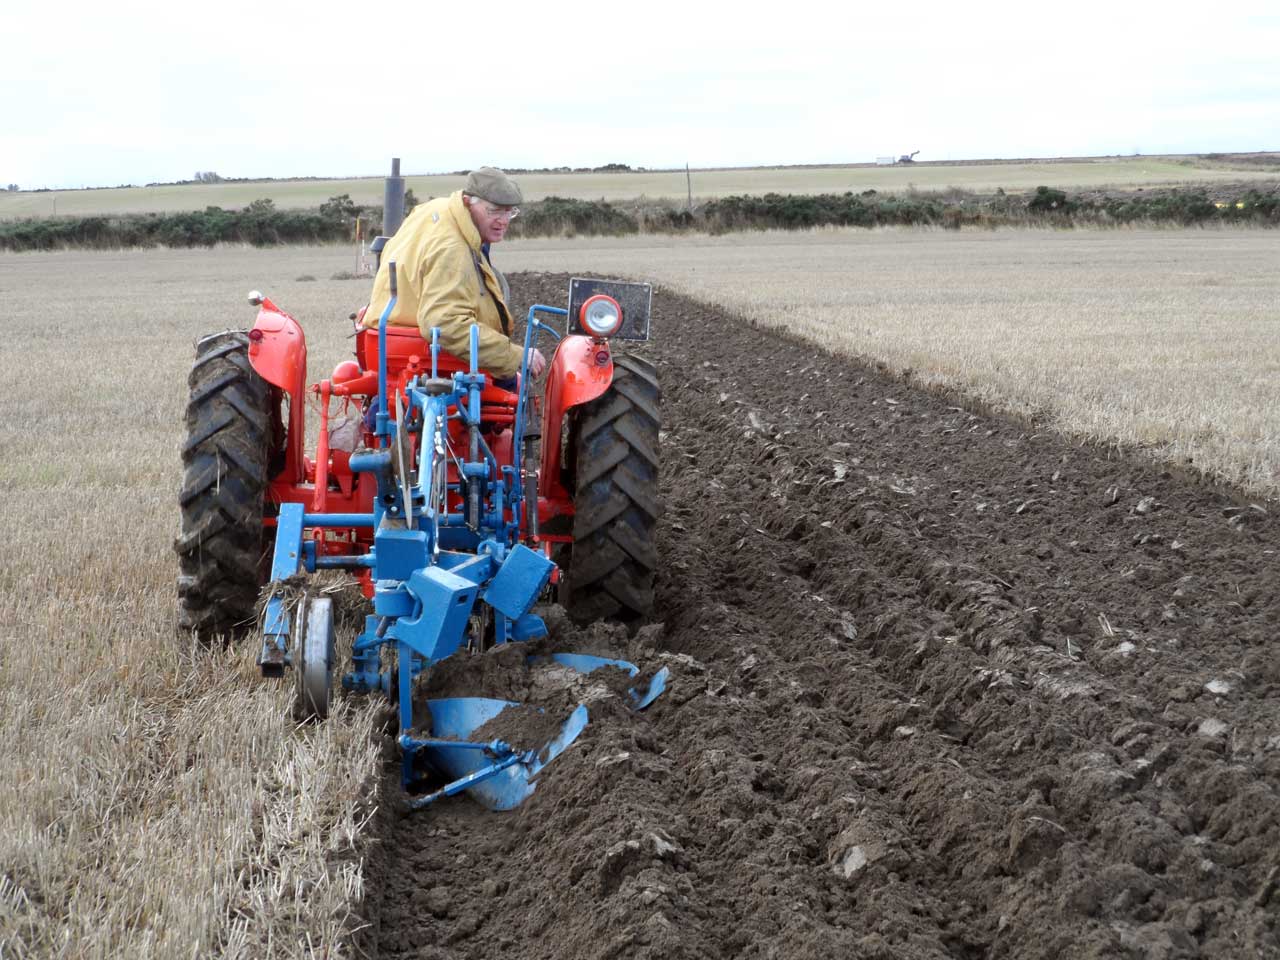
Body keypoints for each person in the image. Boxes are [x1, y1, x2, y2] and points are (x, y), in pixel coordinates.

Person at [362, 166, 546, 383]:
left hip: (387, 344)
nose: (504, 220)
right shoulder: (452, 250)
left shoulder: (436, 209)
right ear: (469, 202)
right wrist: (514, 355)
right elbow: (445, 324)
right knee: (513, 391)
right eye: (494, 210)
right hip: (423, 356)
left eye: (509, 211)